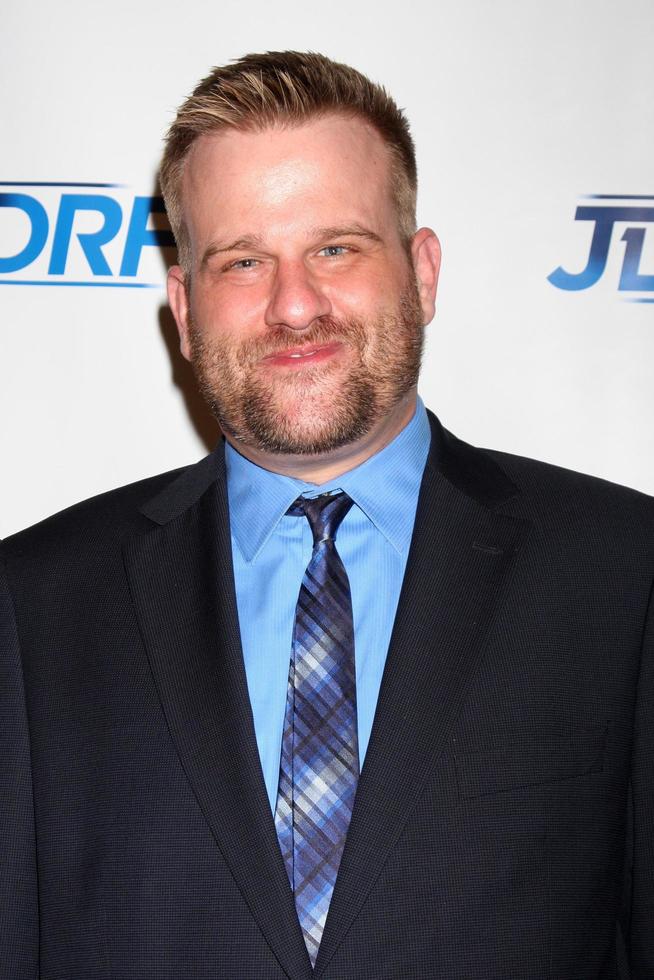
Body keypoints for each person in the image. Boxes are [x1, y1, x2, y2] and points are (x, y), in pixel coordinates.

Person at [1, 50, 652, 980]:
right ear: (183, 310)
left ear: (422, 272)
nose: (294, 305)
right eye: (242, 261)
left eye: (336, 248)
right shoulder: (34, 604)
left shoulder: (623, 575)